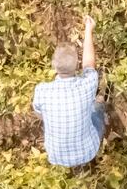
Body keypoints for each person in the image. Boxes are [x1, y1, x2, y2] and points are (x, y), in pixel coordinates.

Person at [32, 12, 105, 168]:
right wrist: (88, 28)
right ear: (77, 65)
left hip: (56, 156)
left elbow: (39, 114)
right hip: (88, 151)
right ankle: (104, 116)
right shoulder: (88, 84)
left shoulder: (42, 91)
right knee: (98, 106)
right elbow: (89, 63)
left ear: (54, 65)